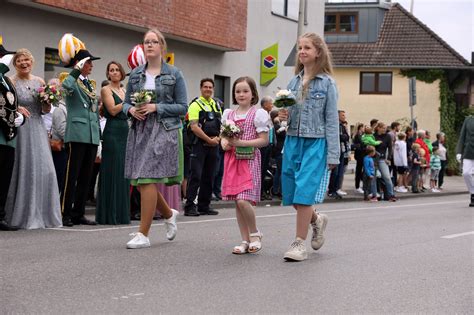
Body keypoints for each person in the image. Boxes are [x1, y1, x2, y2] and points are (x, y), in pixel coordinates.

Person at [123, 29, 187, 248]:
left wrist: (155, 107)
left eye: (153, 42)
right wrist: (131, 110)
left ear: (162, 46)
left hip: (163, 129)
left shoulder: (174, 74)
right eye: (145, 42)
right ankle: (169, 214)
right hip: (140, 130)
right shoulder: (135, 74)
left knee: (147, 179)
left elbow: (183, 107)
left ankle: (143, 234)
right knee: (141, 182)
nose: (149, 45)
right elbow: (124, 104)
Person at [281, 32, 340, 262]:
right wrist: (282, 114)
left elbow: (332, 120)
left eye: (307, 47)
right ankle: (317, 220)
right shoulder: (293, 82)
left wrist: (333, 154)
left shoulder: (327, 83)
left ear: (318, 52)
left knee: (304, 192)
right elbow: (286, 114)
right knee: (293, 195)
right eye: (300, 48)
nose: (302, 51)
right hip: (293, 140)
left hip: (316, 142)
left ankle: (298, 243)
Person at [5, 48, 62, 229]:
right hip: (21, 129)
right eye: (20, 60)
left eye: (27, 60)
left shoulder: (39, 81)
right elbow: (7, 103)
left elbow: (44, 111)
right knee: (22, 169)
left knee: (45, 169)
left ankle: (44, 214)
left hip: (38, 128)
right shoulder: (10, 81)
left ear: (32, 62)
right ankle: (20, 214)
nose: (24, 63)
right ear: (15, 64)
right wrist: (16, 109)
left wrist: (47, 101)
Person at [220, 76, 269, 254]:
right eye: (238, 91)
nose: (241, 94)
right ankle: (245, 239)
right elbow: (224, 137)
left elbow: (264, 141)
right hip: (232, 161)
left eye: (245, 91)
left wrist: (241, 143)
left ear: (253, 93)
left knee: (243, 199)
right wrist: (224, 142)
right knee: (238, 203)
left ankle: (255, 233)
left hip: (249, 161)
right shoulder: (229, 114)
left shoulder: (258, 114)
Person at [60, 47, 101, 227]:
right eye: (88, 62)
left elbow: (93, 111)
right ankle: (65, 212)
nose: (91, 65)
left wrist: (98, 137)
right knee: (72, 176)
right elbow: (66, 87)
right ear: (81, 64)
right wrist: (76, 69)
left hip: (91, 134)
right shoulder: (72, 79)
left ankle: (79, 212)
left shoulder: (89, 83)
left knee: (86, 176)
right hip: (77, 134)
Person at [96, 61, 130, 225]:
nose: (114, 72)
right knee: (113, 170)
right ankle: (109, 214)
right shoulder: (105, 89)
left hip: (125, 131)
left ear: (122, 72)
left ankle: (122, 213)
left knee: (124, 171)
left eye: (117, 70)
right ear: (108, 74)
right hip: (112, 132)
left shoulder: (124, 90)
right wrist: (130, 102)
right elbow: (113, 110)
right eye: (111, 70)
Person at [184, 78, 221, 216]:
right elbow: (194, 127)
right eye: (205, 87)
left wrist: (217, 139)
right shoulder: (195, 105)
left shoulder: (216, 104)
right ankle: (189, 206)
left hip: (213, 145)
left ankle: (204, 206)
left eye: (210, 87)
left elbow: (222, 124)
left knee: (210, 176)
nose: (208, 89)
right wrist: (208, 139)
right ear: (201, 88)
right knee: (196, 176)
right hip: (198, 145)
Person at [0, 42, 24, 231]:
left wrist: (20, 117)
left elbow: (13, 104)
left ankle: (0, 216)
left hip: (9, 136)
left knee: (4, 177)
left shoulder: (7, 81)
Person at [50, 76, 68, 196]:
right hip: (59, 148)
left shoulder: (64, 107)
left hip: (64, 148)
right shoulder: (59, 109)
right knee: (58, 177)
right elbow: (62, 130)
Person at [328, 110, 349, 198]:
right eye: (342, 115)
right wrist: (342, 137)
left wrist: (342, 137)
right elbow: (335, 136)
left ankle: (337, 189)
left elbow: (347, 137)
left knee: (340, 172)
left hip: (342, 150)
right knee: (335, 172)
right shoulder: (334, 125)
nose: (344, 117)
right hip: (335, 150)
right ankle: (331, 190)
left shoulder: (343, 126)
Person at [374, 122, 397, 202]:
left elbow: (390, 148)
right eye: (383, 128)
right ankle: (375, 194)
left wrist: (389, 158)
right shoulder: (373, 136)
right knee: (375, 177)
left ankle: (391, 195)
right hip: (373, 159)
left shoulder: (388, 136)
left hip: (382, 159)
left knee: (387, 177)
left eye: (385, 128)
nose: (385, 129)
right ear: (378, 128)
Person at [456, 115, 474, 206]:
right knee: (466, 173)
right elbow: (462, 136)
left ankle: (472, 197)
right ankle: (473, 192)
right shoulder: (468, 119)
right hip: (468, 151)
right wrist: (459, 151)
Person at [259, 96, 274, 200]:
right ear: (265, 105)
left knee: (265, 169)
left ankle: (263, 191)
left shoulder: (268, 115)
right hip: (263, 146)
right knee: (260, 169)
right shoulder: (261, 114)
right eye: (270, 103)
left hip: (269, 145)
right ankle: (259, 192)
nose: (272, 105)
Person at [352, 122, 365, 194]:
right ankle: (357, 186)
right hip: (359, 155)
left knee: (361, 170)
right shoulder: (357, 136)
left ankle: (360, 183)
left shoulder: (362, 135)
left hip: (362, 155)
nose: (363, 129)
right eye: (362, 127)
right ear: (360, 128)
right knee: (359, 170)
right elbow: (359, 145)